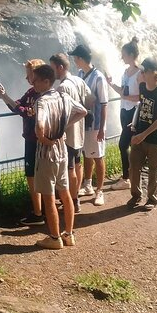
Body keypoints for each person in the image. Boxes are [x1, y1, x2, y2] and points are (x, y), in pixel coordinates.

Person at [31, 65, 87, 249]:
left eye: (35, 79)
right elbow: (83, 111)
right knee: (65, 193)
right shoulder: (64, 96)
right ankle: (69, 235)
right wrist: (64, 127)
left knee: (48, 197)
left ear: (46, 81)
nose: (32, 82)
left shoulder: (42, 101)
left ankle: (54, 238)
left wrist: (44, 139)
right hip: (63, 151)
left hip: (47, 154)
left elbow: (39, 126)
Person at [0, 59, 46, 226]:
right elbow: (17, 106)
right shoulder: (31, 92)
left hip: (38, 140)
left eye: (29, 74)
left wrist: (10, 101)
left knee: (37, 176)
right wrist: (4, 96)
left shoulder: (42, 95)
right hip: (31, 139)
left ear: (37, 75)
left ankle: (41, 212)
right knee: (32, 176)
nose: (26, 78)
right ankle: (39, 211)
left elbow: (24, 112)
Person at [49, 52, 91, 214]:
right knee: (78, 164)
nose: (51, 72)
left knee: (70, 169)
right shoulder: (79, 80)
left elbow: (62, 113)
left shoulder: (62, 87)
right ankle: (76, 198)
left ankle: (73, 202)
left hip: (69, 134)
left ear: (60, 67)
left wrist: (63, 126)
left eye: (52, 68)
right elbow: (90, 99)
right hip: (80, 132)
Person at [68, 44, 109, 207]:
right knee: (87, 154)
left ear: (80, 59)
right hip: (82, 123)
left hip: (95, 125)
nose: (74, 61)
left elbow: (104, 104)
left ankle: (100, 191)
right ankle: (88, 184)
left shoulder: (98, 77)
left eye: (75, 58)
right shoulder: (79, 74)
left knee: (98, 156)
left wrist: (102, 129)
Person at [128, 57, 157, 211]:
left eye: (144, 71)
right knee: (134, 167)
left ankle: (151, 199)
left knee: (154, 170)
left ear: (153, 73)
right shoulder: (142, 87)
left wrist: (143, 135)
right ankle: (135, 195)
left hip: (154, 139)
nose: (141, 73)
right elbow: (141, 107)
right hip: (138, 134)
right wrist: (134, 123)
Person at [107, 37, 141, 190]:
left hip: (133, 111)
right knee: (127, 144)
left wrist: (126, 97)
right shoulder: (126, 72)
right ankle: (130, 174)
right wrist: (111, 83)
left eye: (124, 55)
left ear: (132, 55)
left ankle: (127, 178)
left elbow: (141, 96)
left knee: (122, 144)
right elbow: (122, 91)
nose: (122, 57)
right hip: (124, 110)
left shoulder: (139, 74)